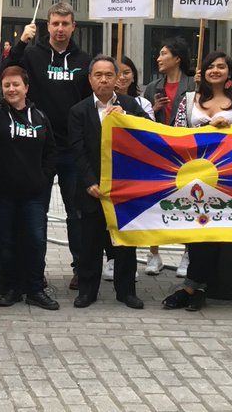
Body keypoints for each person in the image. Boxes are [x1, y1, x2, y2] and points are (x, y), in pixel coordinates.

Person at [4, 3, 93, 291]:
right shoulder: (33, 54)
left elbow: (90, 102)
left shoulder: (84, 60)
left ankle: (81, 269)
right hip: (38, 148)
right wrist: (20, 43)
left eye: (65, 23)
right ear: (47, 25)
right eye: (55, 23)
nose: (60, 29)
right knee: (36, 214)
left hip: (73, 149)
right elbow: (7, 73)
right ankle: (35, 272)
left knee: (76, 213)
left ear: (73, 26)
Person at [0, 45, 59, 310]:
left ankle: (36, 289)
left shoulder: (39, 116)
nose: (11, 89)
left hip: (34, 194)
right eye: (6, 85)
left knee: (35, 241)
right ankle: (13, 287)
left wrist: (44, 178)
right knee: (6, 242)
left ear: (26, 87)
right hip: (1, 193)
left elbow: (51, 151)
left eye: (16, 84)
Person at [161, 51, 232, 312]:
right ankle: (195, 286)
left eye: (221, 66)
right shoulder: (188, 99)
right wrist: (207, 129)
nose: (215, 70)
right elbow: (178, 134)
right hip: (194, 175)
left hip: (228, 177)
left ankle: (193, 287)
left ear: (229, 72)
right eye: (210, 66)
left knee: (216, 229)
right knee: (196, 230)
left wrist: (229, 130)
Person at [67, 55, 149, 310]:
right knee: (90, 243)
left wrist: (127, 117)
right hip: (92, 188)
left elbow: (149, 132)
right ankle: (87, 291)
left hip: (124, 188)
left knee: (124, 243)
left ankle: (126, 292)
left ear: (117, 79)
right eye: (98, 75)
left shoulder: (130, 104)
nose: (103, 80)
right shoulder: (79, 111)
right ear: (90, 79)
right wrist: (89, 182)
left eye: (109, 75)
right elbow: (77, 149)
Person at [142, 38, 196, 277]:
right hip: (159, 153)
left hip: (186, 154)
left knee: (188, 202)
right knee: (156, 202)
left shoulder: (194, 85)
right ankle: (153, 253)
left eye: (164, 54)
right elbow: (142, 120)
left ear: (178, 58)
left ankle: (188, 253)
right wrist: (153, 109)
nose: (159, 58)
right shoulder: (153, 87)